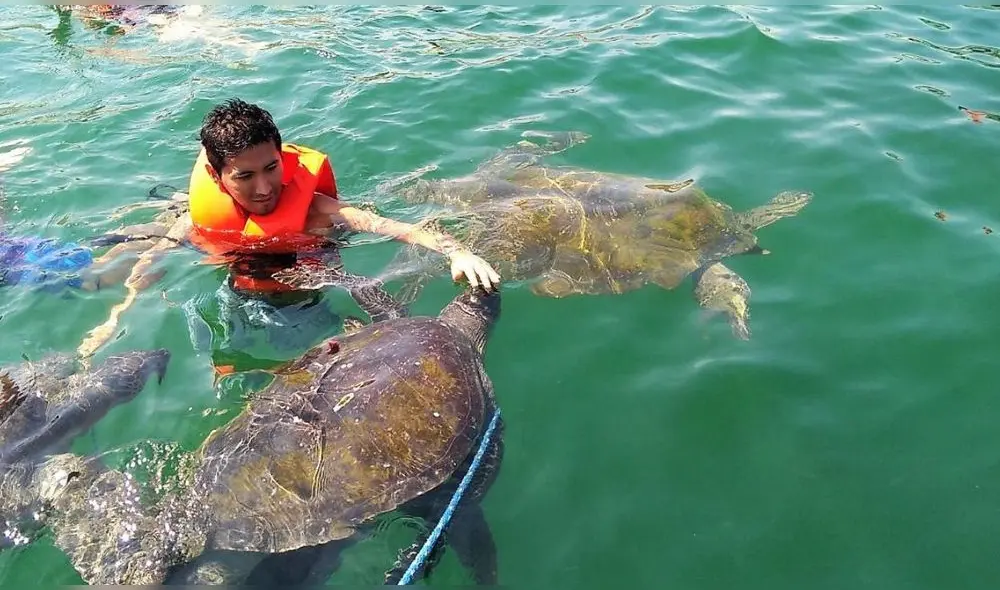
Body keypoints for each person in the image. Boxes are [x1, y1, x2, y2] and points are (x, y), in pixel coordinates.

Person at [182, 98, 501, 370]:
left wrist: (458, 252)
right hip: (237, 292)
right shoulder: (202, 216)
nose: (264, 188)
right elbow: (166, 247)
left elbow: (392, 227)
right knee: (225, 360)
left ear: (282, 159)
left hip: (305, 303)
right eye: (245, 177)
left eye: (271, 168)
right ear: (216, 175)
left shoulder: (318, 210)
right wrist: (149, 272)